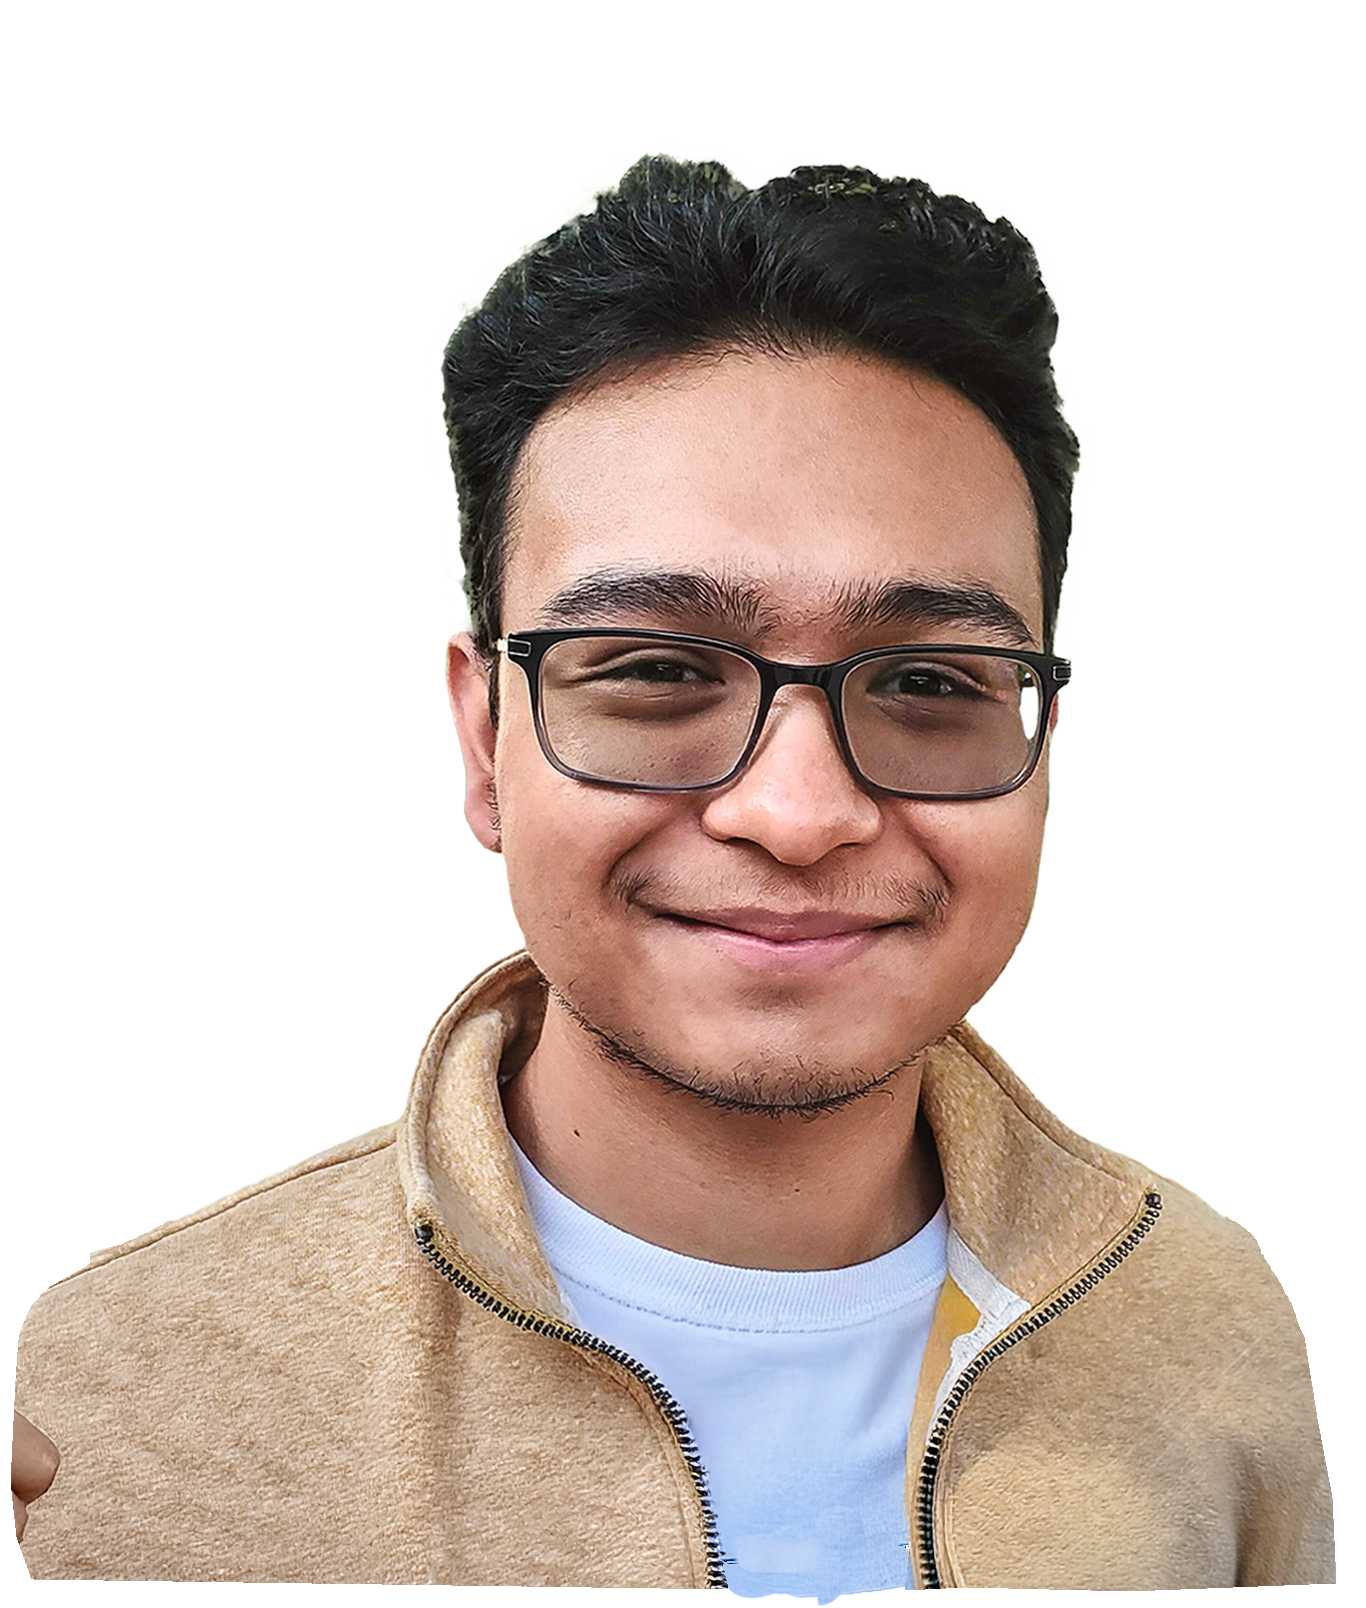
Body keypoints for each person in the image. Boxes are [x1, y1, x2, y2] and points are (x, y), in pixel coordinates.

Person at [11, 154, 1331, 1594]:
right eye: (651, 669)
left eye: (928, 681)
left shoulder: (1213, 1326)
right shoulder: (113, 1392)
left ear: (1039, 747)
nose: (799, 814)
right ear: (484, 739)